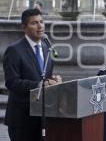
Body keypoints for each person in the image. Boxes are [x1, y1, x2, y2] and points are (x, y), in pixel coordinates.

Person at [3, 8, 62, 141]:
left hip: (42, 117)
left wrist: (52, 80)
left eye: (41, 21)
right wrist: (40, 84)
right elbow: (12, 82)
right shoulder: (14, 51)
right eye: (34, 23)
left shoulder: (47, 48)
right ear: (24, 27)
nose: (40, 26)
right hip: (22, 119)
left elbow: (43, 77)